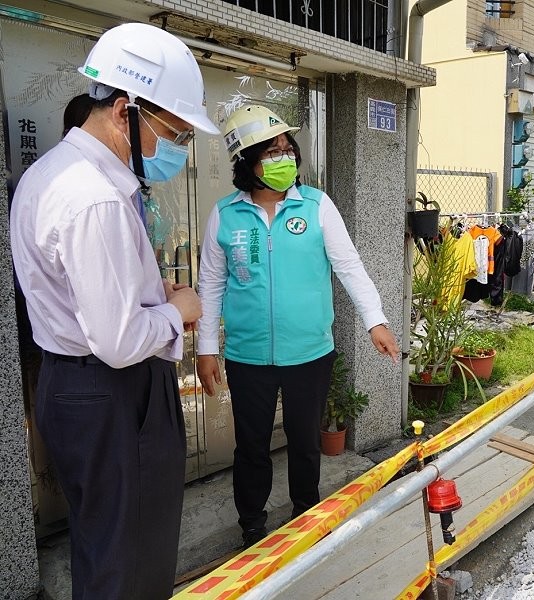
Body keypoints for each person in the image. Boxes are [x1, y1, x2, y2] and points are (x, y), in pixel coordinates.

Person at [10, 23, 219, 599]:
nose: (174, 146)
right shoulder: (94, 197)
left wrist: (161, 299)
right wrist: (181, 311)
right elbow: (121, 340)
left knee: (104, 549)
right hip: (114, 391)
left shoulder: (49, 175)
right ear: (126, 110)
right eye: (172, 131)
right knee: (134, 559)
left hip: (78, 388)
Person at [196, 104, 400, 548]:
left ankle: (305, 515)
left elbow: (349, 266)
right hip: (248, 355)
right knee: (251, 445)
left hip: (309, 352)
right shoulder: (225, 215)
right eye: (272, 151)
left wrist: (376, 321)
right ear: (247, 161)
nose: (284, 158)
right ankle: (252, 524)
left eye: (288, 149)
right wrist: (205, 345)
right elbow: (209, 284)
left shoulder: (317, 205)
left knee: (305, 441)